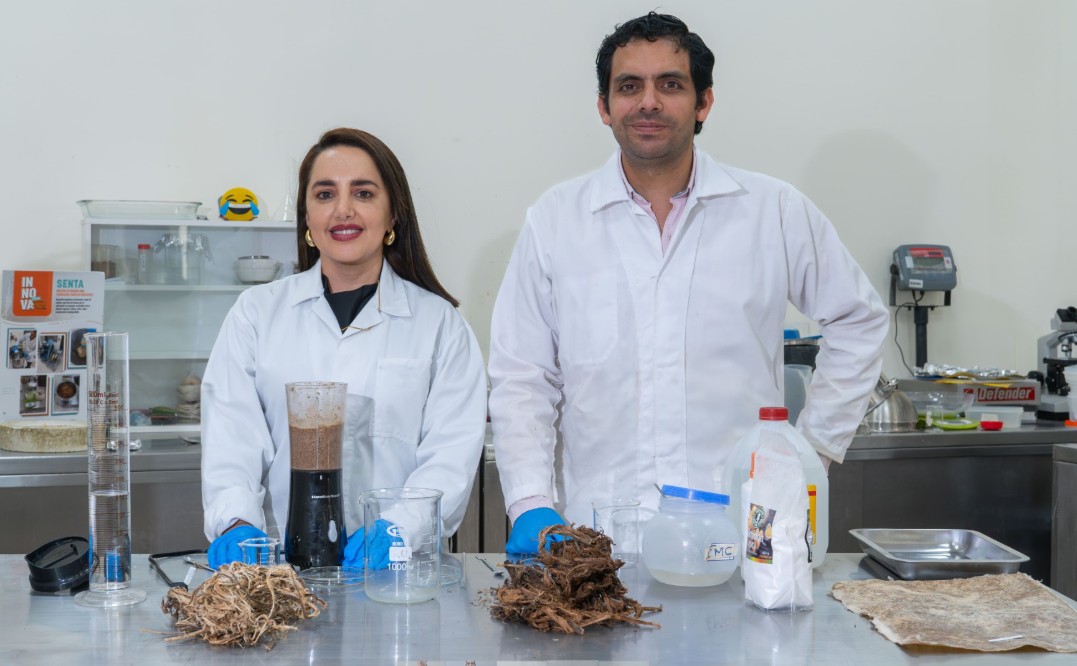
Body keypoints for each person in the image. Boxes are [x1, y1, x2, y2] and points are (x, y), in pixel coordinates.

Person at [488, 13, 889, 554]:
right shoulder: (556, 220)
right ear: (604, 106)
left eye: (671, 85)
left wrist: (810, 451)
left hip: (742, 534)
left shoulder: (772, 210)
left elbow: (858, 320)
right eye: (629, 86)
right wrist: (530, 500)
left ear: (704, 103)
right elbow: (523, 375)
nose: (648, 102)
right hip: (597, 541)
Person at [202, 128, 487, 568]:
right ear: (307, 217)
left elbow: (450, 456)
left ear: (393, 215)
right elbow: (231, 437)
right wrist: (235, 521)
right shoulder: (256, 314)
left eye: (364, 193)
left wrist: (399, 528)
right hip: (280, 574)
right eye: (325, 194)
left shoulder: (440, 326)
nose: (343, 210)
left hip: (399, 573)